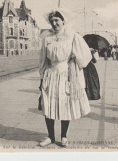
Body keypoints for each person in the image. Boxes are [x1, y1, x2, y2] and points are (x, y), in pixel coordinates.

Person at [39, 9, 92, 147]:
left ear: (63, 21)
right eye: (52, 21)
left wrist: (75, 58)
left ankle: (63, 136)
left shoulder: (72, 36)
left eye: (57, 20)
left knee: (65, 106)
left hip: (66, 76)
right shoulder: (47, 38)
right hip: (50, 75)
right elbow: (43, 60)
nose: (54, 23)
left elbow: (85, 56)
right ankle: (50, 136)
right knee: (48, 105)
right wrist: (42, 77)